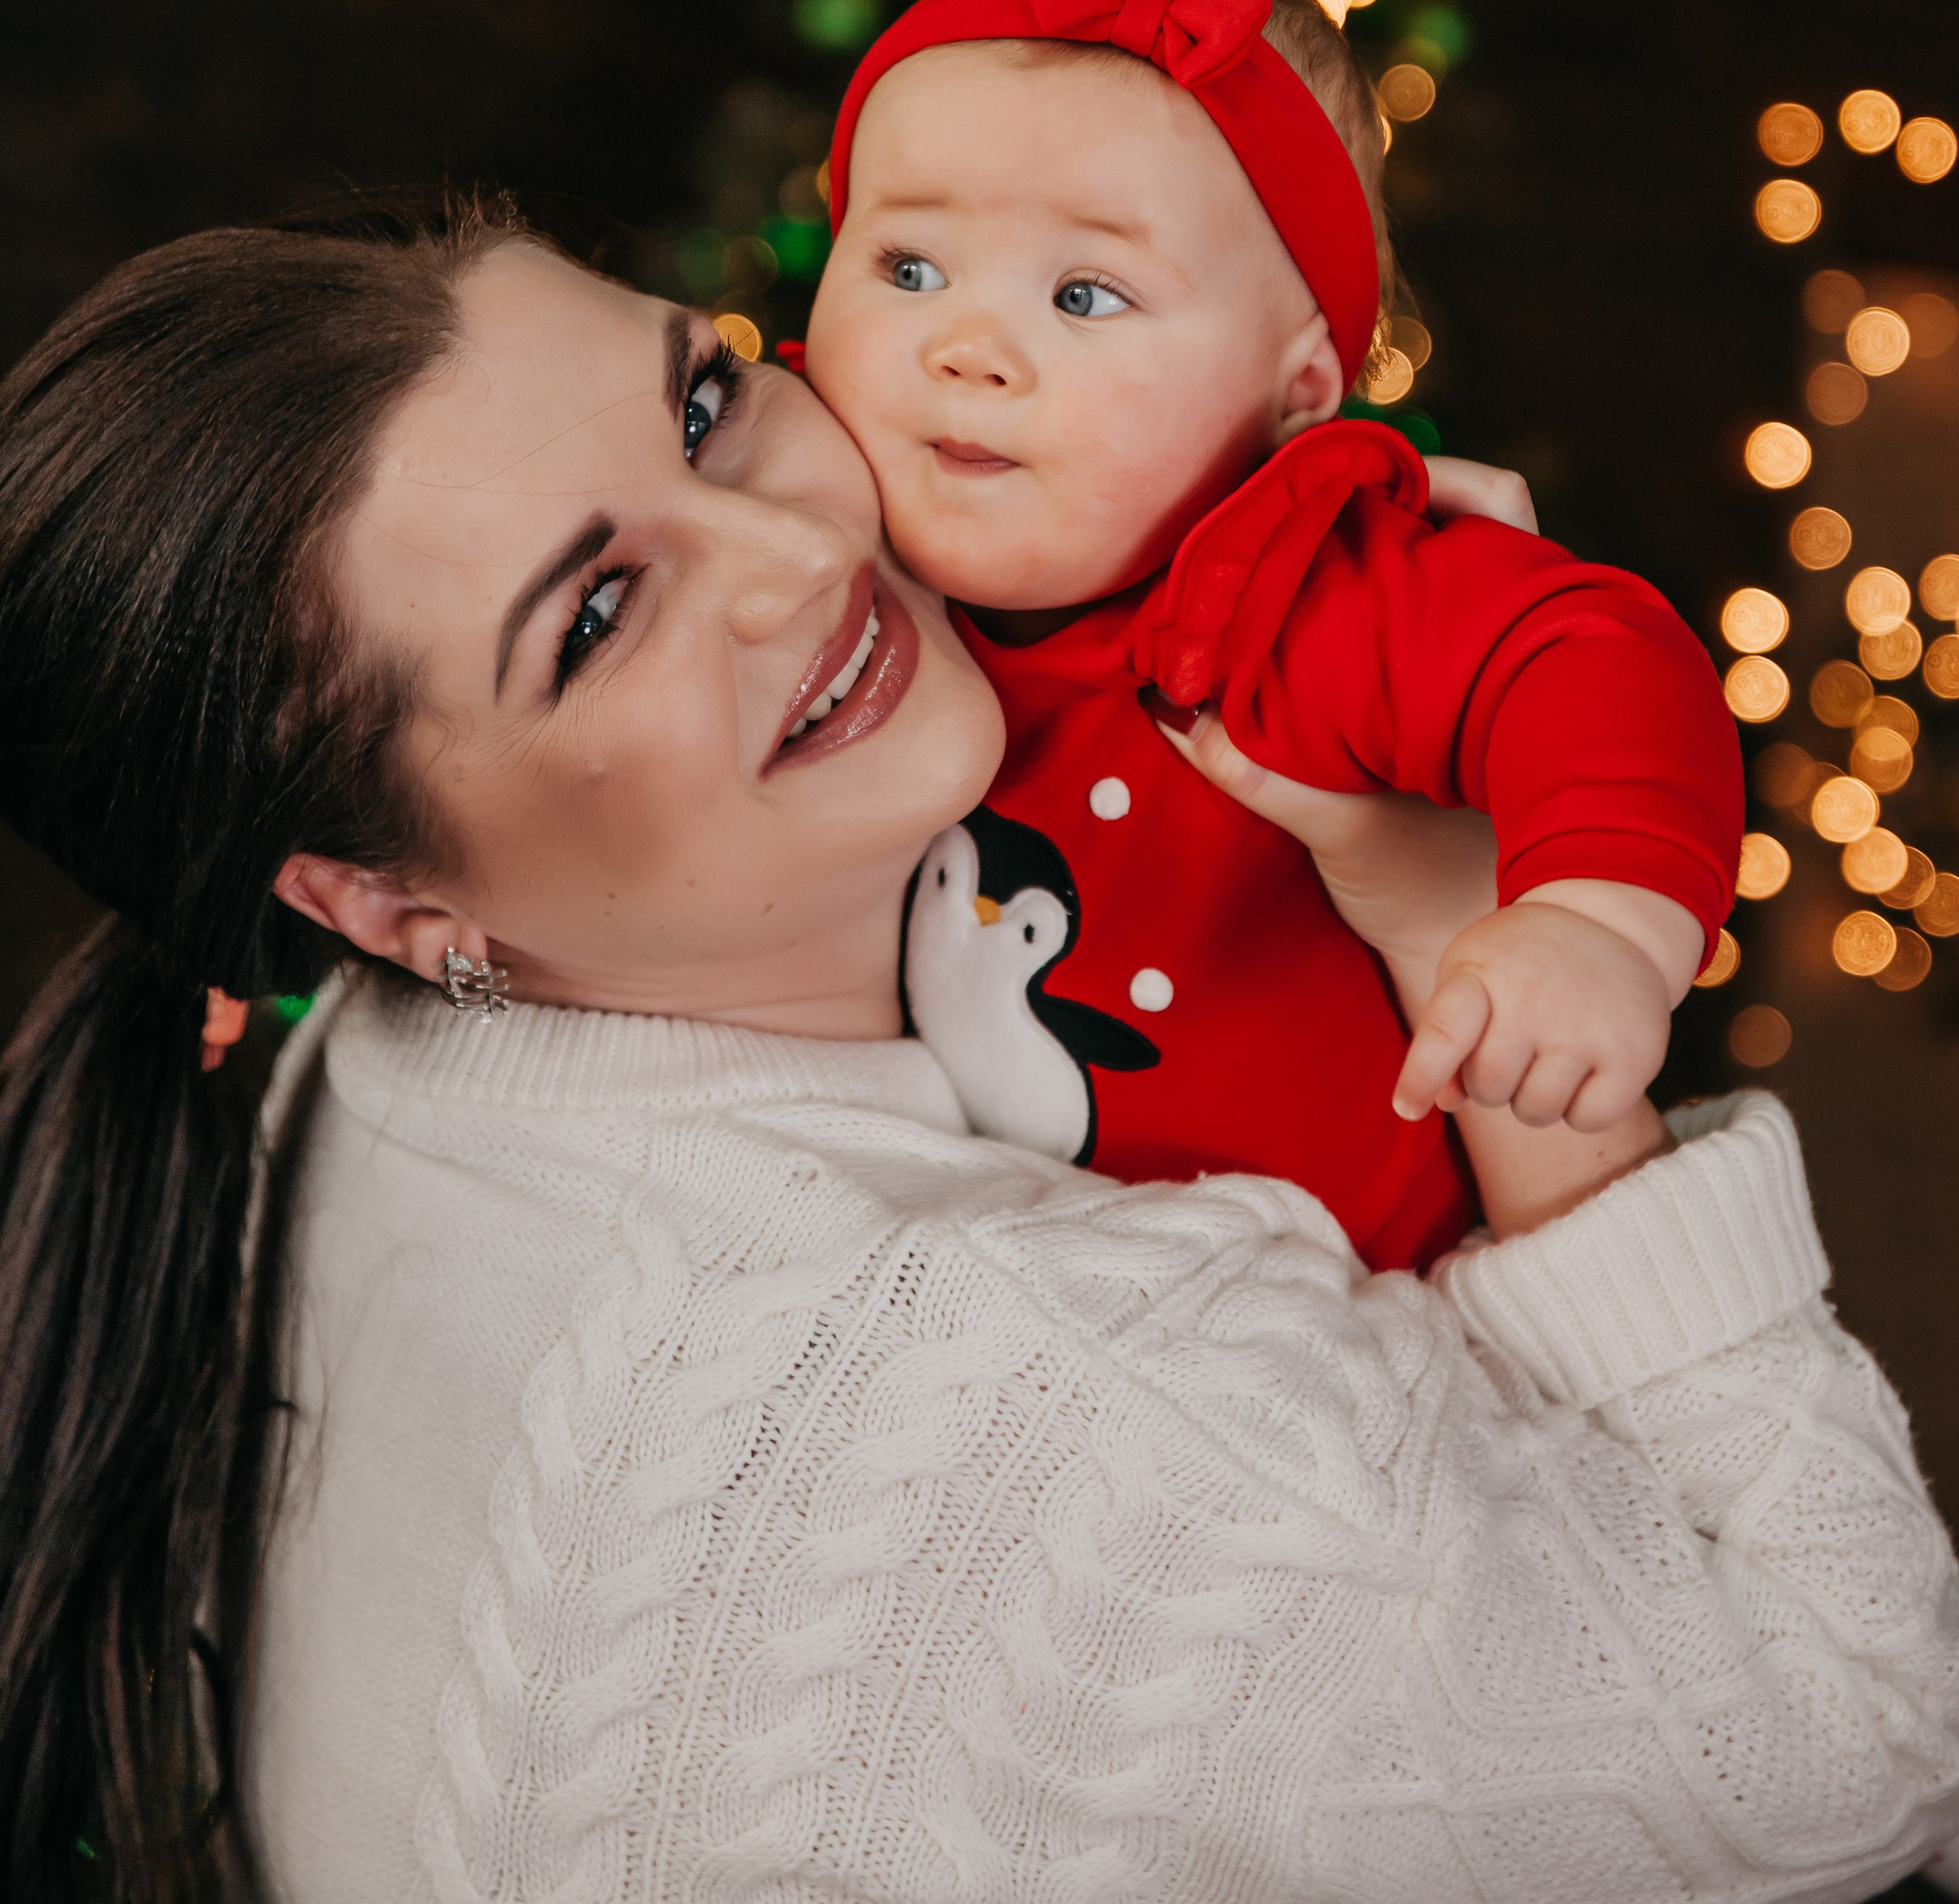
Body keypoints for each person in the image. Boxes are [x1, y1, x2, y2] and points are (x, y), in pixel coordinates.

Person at [0, 204, 1954, 1904]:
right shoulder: (1040, 1410)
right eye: (597, 612)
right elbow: (1865, 1728)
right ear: (377, 897)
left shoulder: (349, 1083)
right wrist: (1464, 931)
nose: (794, 554)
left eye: (706, 404)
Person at [801, 0, 1740, 1267]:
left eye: (1086, 294)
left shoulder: (1297, 591)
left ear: (1297, 391)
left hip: (1346, 1309)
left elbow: (1585, 654)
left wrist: (1596, 921)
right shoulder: (802, 561)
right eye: (909, 266)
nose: (967, 345)